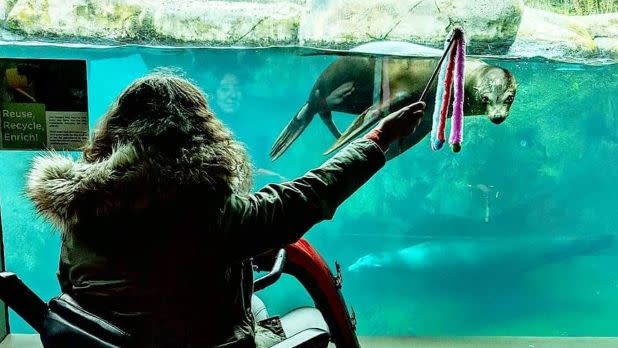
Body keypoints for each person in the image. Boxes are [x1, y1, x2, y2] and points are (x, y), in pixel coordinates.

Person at [25, 71, 425, 347]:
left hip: (114, 346)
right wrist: (378, 138)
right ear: (198, 135)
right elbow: (311, 193)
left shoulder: (78, 206)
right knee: (298, 318)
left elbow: (71, 284)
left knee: (258, 303)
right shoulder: (217, 218)